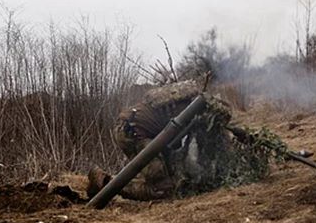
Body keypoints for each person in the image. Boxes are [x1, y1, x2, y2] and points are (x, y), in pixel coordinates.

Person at [87, 80, 272, 201]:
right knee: (162, 188)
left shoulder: (187, 101)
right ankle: (106, 183)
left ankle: (116, 183)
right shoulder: (196, 110)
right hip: (133, 133)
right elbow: (198, 146)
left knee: (161, 174)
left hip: (134, 128)